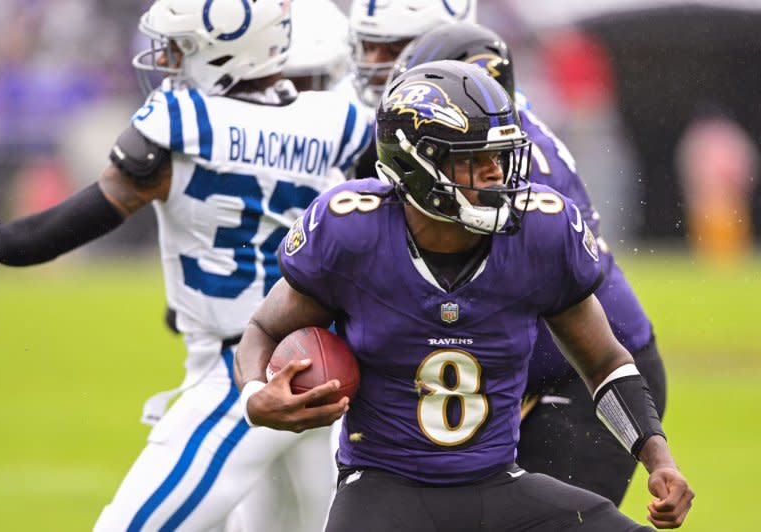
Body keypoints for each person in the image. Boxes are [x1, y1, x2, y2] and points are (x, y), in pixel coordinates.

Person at [0, 0, 370, 530]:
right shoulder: (343, 123)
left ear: (226, 54)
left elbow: (59, 230)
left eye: (183, 49)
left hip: (239, 374)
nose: (170, 60)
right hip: (327, 363)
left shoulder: (181, 123)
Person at [233, 60, 694, 531]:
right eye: (474, 159)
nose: (497, 174)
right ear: (417, 163)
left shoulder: (541, 231)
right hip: (383, 488)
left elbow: (605, 365)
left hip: (497, 483)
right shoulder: (352, 234)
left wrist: (659, 460)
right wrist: (255, 396)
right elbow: (263, 328)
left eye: (501, 156)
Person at [390, 21, 668, 508]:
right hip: (525, 371)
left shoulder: (508, 176)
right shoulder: (498, 142)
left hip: (585, 373)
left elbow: (469, 293)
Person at [345, 0, 478, 179]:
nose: (373, 65)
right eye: (369, 47)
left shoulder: (491, 108)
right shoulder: (345, 108)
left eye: (395, 50)